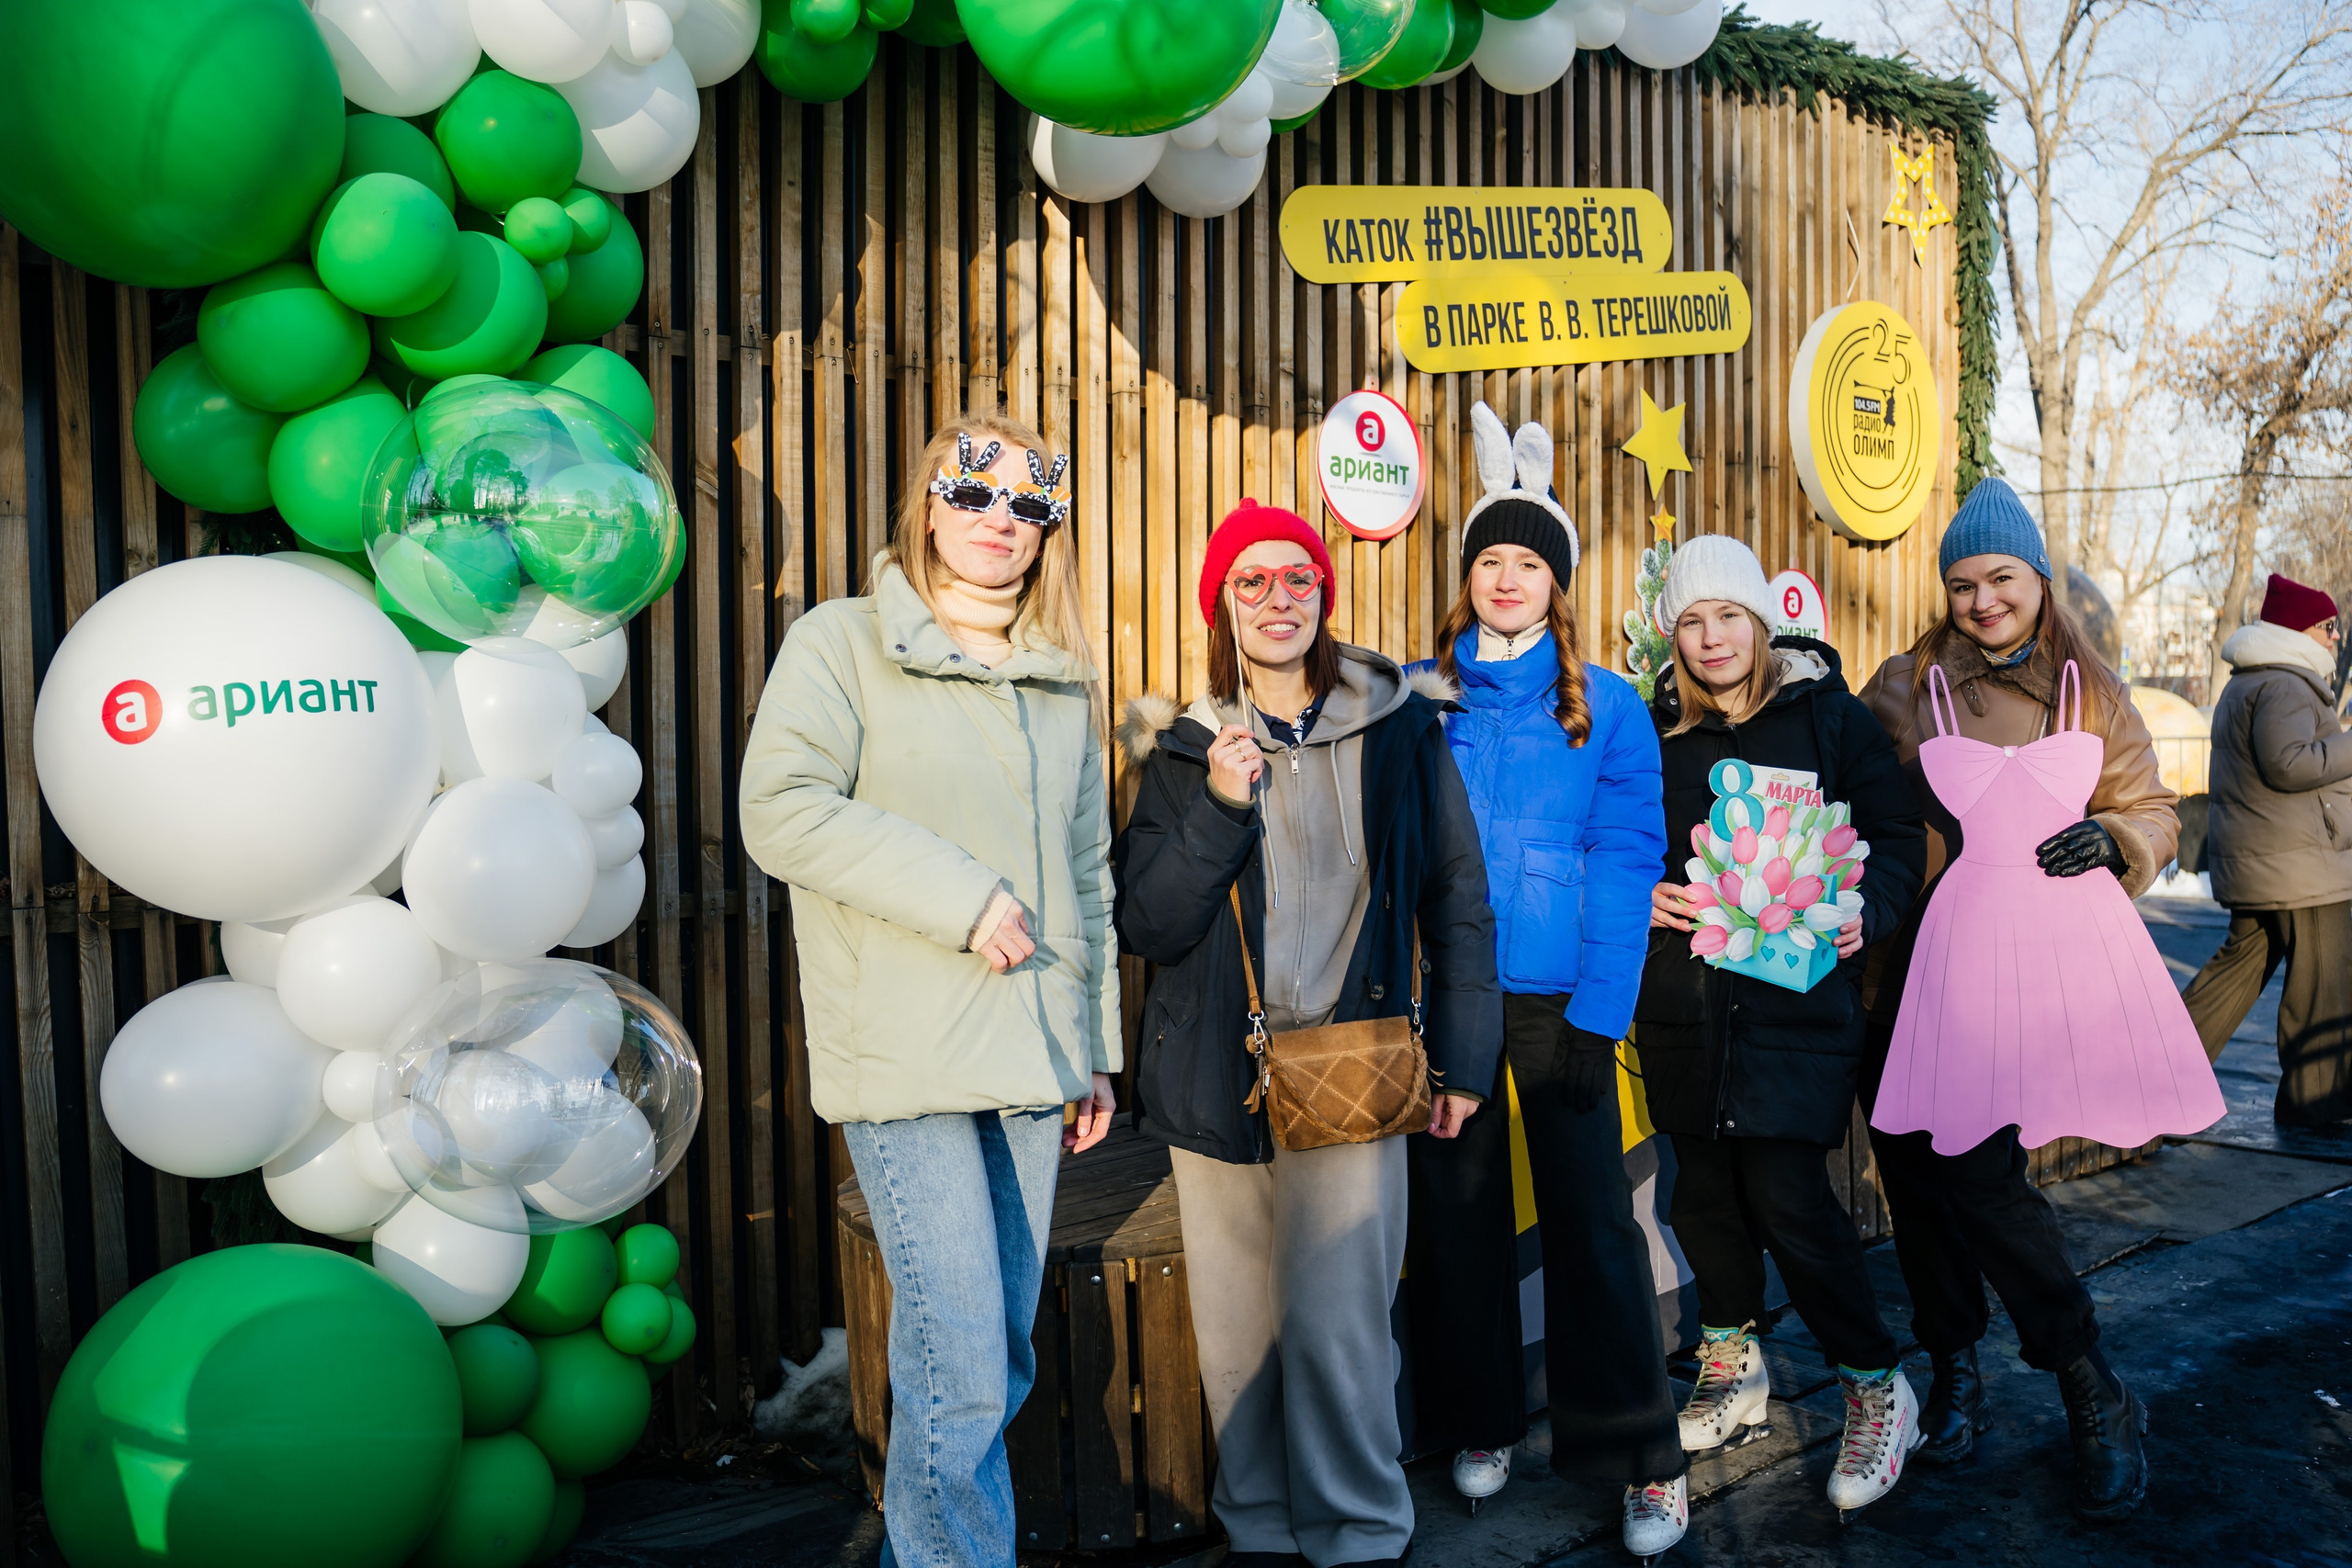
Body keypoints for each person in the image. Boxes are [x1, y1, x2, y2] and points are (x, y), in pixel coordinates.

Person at [739, 416, 1119, 1568]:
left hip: (1029, 1055)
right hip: (905, 1054)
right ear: (929, 503)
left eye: (1027, 506)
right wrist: (962, 896)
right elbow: (781, 809)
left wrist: (1092, 1043)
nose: (1000, 522)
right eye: (976, 496)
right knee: (958, 1358)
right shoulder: (839, 642)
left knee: (989, 1355)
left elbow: (1088, 877)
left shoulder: (1060, 679)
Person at [1112, 500, 1500, 1568]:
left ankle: (1362, 1534)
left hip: (1352, 1066)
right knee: (1238, 1338)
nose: (1277, 599)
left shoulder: (1401, 726)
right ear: (1221, 606)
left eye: (1297, 579)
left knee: (1337, 1330)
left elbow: (1456, 898)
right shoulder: (1185, 748)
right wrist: (1221, 806)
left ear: (1324, 596)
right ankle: (1264, 1530)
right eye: (1251, 582)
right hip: (1212, 1077)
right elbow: (1149, 921)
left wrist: (1465, 1057)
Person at [1396, 403, 1688, 1562]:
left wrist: (1598, 1011)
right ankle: (1479, 1420)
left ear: (1556, 582)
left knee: (1590, 1230)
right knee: (1457, 1221)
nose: (1506, 577)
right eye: (1489, 558)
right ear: (1466, 578)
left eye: (1528, 560)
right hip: (1446, 1004)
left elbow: (1627, 860)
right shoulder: (1419, 700)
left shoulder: (1608, 707)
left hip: (1564, 1004)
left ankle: (1638, 1457)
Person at [1858, 478, 2180, 1522]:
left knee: (1983, 1183)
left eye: (2000, 578)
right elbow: (1841, 783)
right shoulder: (1905, 684)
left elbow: (2150, 805)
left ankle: (2089, 1381)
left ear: (2038, 581)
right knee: (1915, 1185)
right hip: (1902, 973)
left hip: (2010, 978)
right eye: (1961, 584)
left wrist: (2120, 841)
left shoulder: (2087, 688)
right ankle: (1954, 1372)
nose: (1981, 600)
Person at [1637, 534, 1928, 1524]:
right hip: (1685, 1008)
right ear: (1671, 635)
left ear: (1760, 623)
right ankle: (1733, 1367)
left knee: (1793, 1204)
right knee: (1701, 1200)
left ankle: (1876, 1389)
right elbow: (1620, 845)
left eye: (1727, 616)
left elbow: (1896, 836)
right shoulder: (1654, 735)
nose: (1711, 637)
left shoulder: (1827, 719)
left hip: (1796, 1007)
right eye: (1691, 620)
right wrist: (1641, 895)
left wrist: (1871, 909)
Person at [2179, 571, 2352, 1124]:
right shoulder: (2283, 683)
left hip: (2269, 864)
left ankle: (2156, 1074)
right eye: (2330, 626)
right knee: (2322, 988)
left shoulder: (2250, 680)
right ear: (2303, 630)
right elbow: (2289, 763)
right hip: (2303, 870)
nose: (2336, 637)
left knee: (2233, 976)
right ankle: (2316, 1106)